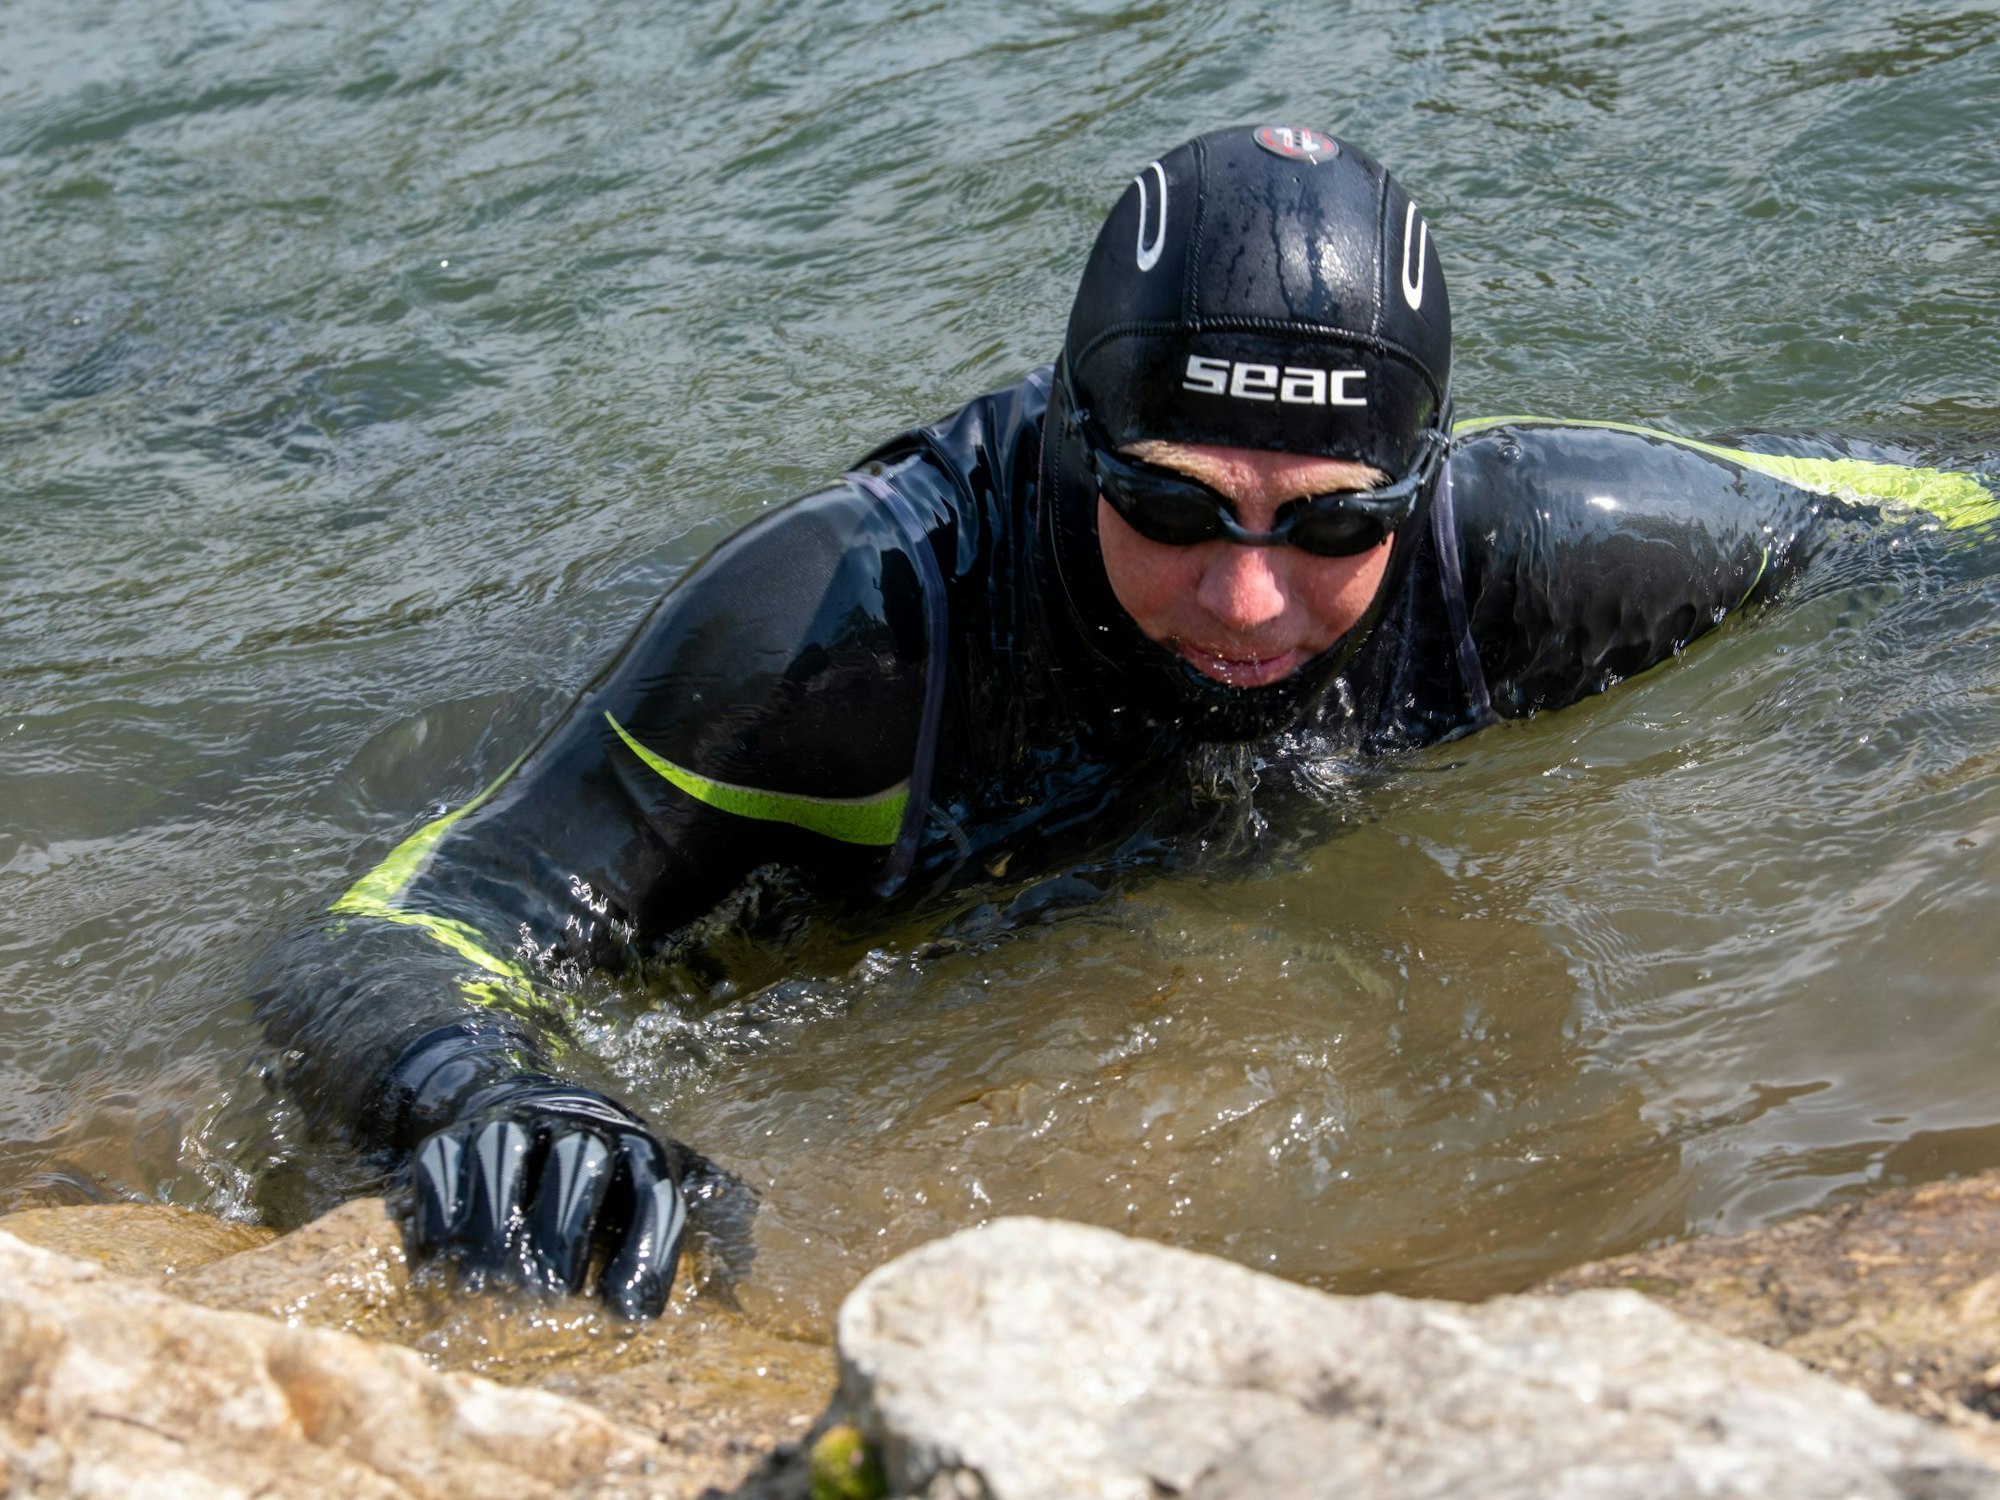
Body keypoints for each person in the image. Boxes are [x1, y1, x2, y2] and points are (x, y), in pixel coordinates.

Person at [256, 124, 1997, 1319]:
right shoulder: (841, 633)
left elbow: (1941, 522)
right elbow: (404, 926)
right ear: (1075, 440)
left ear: (1419, 484)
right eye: (1170, 506)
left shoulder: (1533, 553)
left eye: (1331, 526)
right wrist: (487, 1093)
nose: (1248, 598)